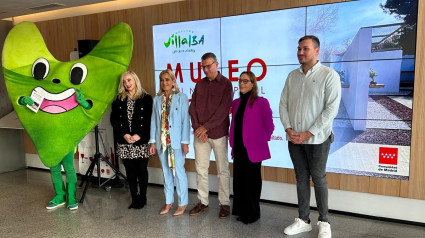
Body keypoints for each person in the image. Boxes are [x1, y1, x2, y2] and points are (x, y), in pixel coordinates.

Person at [279, 35, 341, 238]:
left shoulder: (329, 75)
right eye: (298, 49)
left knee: (319, 178)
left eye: (305, 49)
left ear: (316, 51)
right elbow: (283, 104)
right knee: (301, 179)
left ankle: (324, 221)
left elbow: (331, 109)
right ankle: (304, 220)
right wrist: (288, 129)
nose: (300, 52)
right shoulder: (292, 76)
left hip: (318, 139)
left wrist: (308, 133)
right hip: (294, 139)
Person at [188, 52, 233, 218]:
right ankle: (203, 201)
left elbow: (223, 111)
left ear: (216, 64)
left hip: (218, 134)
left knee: (222, 171)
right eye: (203, 67)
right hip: (201, 136)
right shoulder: (199, 84)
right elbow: (192, 108)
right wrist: (197, 127)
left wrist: (205, 127)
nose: (205, 70)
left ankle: (224, 204)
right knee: (201, 170)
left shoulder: (226, 84)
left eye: (208, 66)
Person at [229, 71, 274, 224]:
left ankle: (252, 214)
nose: (242, 83)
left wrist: (261, 141)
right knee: (240, 181)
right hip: (239, 149)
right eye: (240, 80)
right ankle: (241, 210)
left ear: (253, 83)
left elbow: (269, 126)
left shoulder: (261, 102)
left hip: (254, 149)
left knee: (252, 182)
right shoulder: (235, 103)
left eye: (246, 81)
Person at [149, 69, 190, 216]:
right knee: (166, 173)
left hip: (177, 143)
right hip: (162, 143)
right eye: (162, 80)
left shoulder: (181, 97)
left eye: (167, 79)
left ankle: (183, 203)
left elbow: (186, 121)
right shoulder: (156, 99)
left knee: (178, 172)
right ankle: (168, 201)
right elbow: (154, 121)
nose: (164, 82)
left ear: (173, 81)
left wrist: (185, 142)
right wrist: (152, 142)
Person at [111, 70, 153, 209]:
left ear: (135, 80)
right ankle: (135, 197)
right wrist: (124, 134)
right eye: (124, 81)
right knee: (130, 171)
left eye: (129, 80)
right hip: (125, 141)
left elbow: (150, 120)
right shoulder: (119, 99)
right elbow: (114, 120)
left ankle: (143, 197)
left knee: (142, 170)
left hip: (141, 141)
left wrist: (139, 135)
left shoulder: (146, 98)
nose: (127, 83)